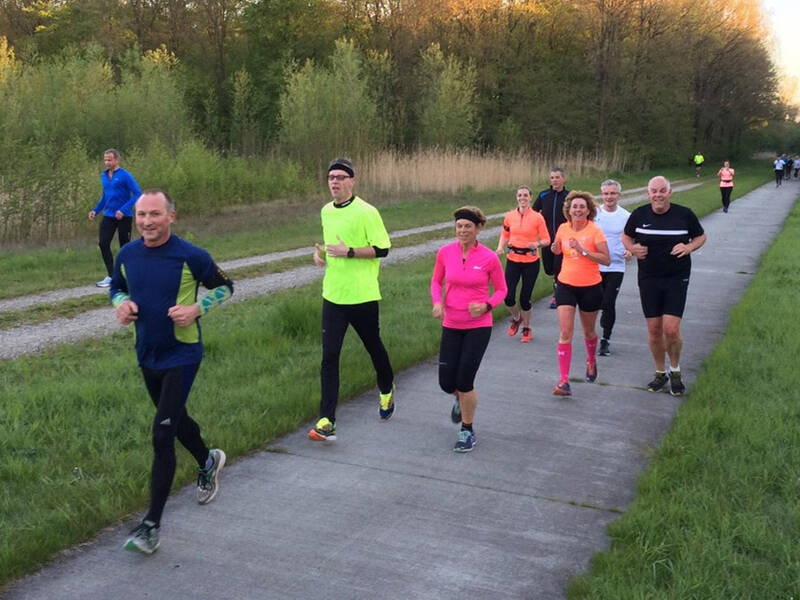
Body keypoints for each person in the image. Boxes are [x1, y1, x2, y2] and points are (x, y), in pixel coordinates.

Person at [110, 189, 233, 554]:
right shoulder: (127, 254)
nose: (146, 222)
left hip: (182, 354)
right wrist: (122, 304)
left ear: (171, 217)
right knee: (175, 420)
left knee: (162, 436)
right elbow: (116, 287)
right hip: (147, 353)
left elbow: (227, 287)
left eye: (154, 215)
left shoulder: (191, 255)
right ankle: (208, 460)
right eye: (141, 215)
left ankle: (151, 526)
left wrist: (198, 309)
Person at [308, 157, 395, 442]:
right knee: (329, 356)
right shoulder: (325, 211)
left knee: (374, 347)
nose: (334, 182)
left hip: (363, 296)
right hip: (333, 295)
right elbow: (331, 242)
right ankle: (327, 419)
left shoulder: (367, 212)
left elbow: (382, 249)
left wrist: (349, 252)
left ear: (352, 181)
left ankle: (386, 389)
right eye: (331, 177)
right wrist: (319, 252)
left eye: (340, 177)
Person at [622, 176, 707, 396]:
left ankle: (675, 369)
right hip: (649, 277)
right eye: (653, 191)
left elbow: (701, 236)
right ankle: (660, 373)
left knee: (671, 329)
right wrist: (632, 248)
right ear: (648, 194)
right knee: (654, 329)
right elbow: (626, 236)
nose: (658, 195)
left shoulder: (684, 214)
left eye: (662, 191)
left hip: (676, 277)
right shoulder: (639, 215)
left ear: (670, 193)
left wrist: (689, 248)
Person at [431, 206, 506, 451]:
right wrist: (437, 302)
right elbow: (436, 281)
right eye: (459, 226)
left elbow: (502, 291)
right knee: (446, 383)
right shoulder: (444, 253)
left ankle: (467, 430)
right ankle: (460, 401)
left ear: (478, 229)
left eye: (468, 226)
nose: (463, 230)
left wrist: (486, 305)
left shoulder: (489, 258)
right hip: (451, 323)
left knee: (465, 381)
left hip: (478, 326)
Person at [549, 191, 610, 396]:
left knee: (588, 332)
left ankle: (591, 360)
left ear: (588, 210)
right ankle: (564, 381)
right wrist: (555, 248)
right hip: (566, 285)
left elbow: (606, 259)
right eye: (574, 206)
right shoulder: (563, 228)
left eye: (582, 206)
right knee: (565, 332)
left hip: (591, 287)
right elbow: (559, 251)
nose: (578, 210)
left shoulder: (595, 231)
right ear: (569, 209)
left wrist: (583, 250)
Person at [495, 186, 551, 343]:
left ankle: (526, 328)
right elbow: (505, 233)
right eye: (520, 195)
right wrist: (500, 246)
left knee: (525, 299)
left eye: (525, 195)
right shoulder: (509, 216)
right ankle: (516, 318)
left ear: (530, 198)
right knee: (508, 297)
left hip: (530, 262)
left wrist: (537, 244)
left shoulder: (537, 218)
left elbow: (547, 240)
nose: (522, 198)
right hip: (513, 259)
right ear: (516, 197)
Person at [89, 149, 142, 287]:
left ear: (117, 160)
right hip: (109, 215)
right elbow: (105, 196)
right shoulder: (104, 176)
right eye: (105, 160)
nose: (107, 162)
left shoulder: (125, 175)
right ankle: (112, 276)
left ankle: (128, 276)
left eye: (109, 160)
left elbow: (137, 193)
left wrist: (124, 210)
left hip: (124, 217)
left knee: (124, 247)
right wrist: (96, 210)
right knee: (103, 243)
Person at [595, 180, 631, 356]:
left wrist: (629, 252)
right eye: (606, 193)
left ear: (619, 195)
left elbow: (632, 240)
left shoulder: (626, 216)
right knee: (596, 302)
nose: (609, 197)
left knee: (609, 302)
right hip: (595, 265)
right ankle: (596, 331)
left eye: (613, 193)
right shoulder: (594, 214)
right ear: (602, 195)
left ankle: (605, 339)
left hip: (616, 266)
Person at [533, 168, 570, 309]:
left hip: (562, 239)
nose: (554, 180)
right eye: (552, 177)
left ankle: (557, 296)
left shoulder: (569, 196)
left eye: (557, 177)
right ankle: (559, 286)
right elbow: (534, 212)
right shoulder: (544, 195)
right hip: (547, 239)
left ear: (563, 179)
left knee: (558, 267)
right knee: (549, 269)